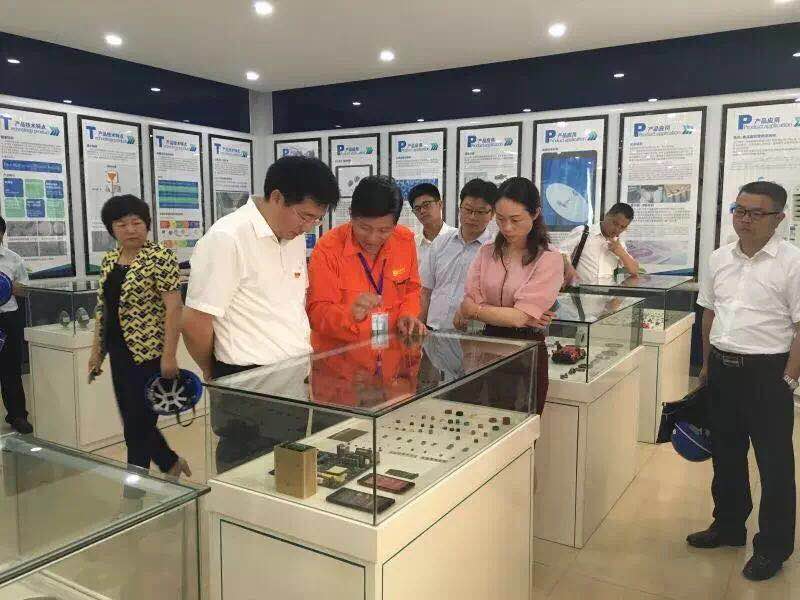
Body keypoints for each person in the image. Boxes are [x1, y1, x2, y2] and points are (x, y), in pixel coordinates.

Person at [691, 181, 800, 581]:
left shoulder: (793, 263)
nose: (745, 219)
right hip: (722, 369)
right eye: (739, 210)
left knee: (774, 465)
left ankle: (772, 547)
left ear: (779, 218)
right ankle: (729, 525)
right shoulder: (719, 258)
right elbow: (709, 313)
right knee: (726, 454)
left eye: (756, 213)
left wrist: (789, 379)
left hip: (767, 374)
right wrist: (706, 367)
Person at [182, 155, 340, 379]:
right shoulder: (227, 238)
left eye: (316, 219)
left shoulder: (294, 236)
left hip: (296, 368)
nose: (307, 228)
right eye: (305, 216)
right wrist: (214, 372)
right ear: (276, 197)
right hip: (246, 375)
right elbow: (195, 320)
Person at [88, 195, 190, 477]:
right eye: (122, 224)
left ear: (147, 224)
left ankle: (135, 491)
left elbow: (174, 308)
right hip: (119, 352)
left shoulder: (160, 257)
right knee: (133, 421)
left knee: (138, 425)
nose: (130, 229)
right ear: (111, 229)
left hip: (149, 355)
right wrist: (96, 352)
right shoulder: (110, 260)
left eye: (136, 222)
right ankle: (170, 463)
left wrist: (169, 357)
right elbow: (103, 308)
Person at [457, 177, 564, 414]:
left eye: (515, 220)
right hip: (485, 347)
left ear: (535, 214)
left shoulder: (549, 259)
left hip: (526, 353)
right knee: (481, 420)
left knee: (520, 426)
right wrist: (517, 314)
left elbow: (517, 318)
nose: (506, 228)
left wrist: (477, 311)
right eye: (500, 219)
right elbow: (470, 298)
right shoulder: (487, 252)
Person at [307, 175, 426, 341]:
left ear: (395, 224)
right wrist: (349, 315)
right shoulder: (328, 249)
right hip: (343, 353)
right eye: (364, 228)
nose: (372, 239)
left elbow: (411, 290)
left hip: (392, 349)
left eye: (384, 230)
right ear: (351, 214)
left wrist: (407, 314)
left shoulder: (404, 241)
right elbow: (316, 312)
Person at [420, 178, 497, 330]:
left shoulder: (495, 250)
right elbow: (425, 291)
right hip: (433, 331)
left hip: (471, 335)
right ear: (460, 208)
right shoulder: (440, 243)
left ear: (492, 213)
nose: (472, 217)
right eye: (468, 210)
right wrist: (419, 325)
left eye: (480, 212)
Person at [0, 216, 32, 434]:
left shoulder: (14, 259)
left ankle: (18, 415)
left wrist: (10, 287)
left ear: (2, 234)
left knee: (10, 369)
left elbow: (26, 291)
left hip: (8, 319)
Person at [559, 203, 639, 283]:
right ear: (607, 215)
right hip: (580, 289)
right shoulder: (583, 232)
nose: (617, 229)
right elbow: (561, 253)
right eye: (615, 223)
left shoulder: (619, 243)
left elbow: (634, 271)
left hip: (607, 290)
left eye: (622, 227)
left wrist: (622, 253)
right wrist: (568, 267)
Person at [408, 182, 455, 267]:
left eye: (426, 205)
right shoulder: (412, 244)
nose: (422, 211)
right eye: (417, 208)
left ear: (440, 204)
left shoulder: (456, 238)